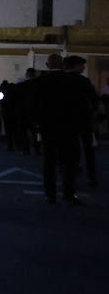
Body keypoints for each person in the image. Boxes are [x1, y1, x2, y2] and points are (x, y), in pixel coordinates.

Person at [29, 55, 82, 205]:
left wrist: (37, 122)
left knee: (49, 162)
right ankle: (68, 193)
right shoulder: (73, 81)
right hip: (68, 126)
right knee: (69, 162)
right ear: (63, 64)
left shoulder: (40, 82)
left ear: (47, 65)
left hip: (48, 126)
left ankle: (50, 194)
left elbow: (33, 104)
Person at [64, 55, 98, 189]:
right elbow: (93, 100)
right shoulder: (84, 81)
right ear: (76, 66)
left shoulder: (62, 80)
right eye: (82, 65)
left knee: (69, 148)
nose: (84, 67)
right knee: (88, 149)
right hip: (83, 119)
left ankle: (70, 173)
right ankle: (91, 176)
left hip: (66, 119)